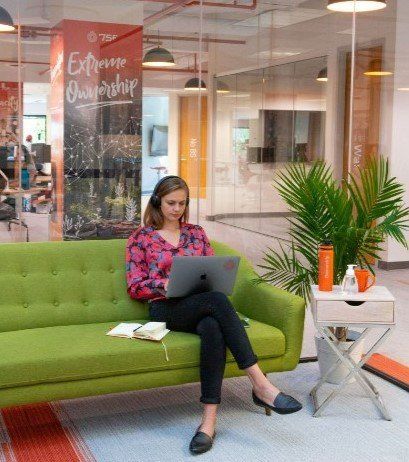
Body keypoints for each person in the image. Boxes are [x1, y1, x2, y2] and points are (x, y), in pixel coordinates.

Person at [126, 176, 302, 455]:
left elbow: (211, 271)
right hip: (165, 309)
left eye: (182, 203)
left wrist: (211, 281)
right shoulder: (141, 238)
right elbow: (135, 286)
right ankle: (260, 384)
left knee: (212, 326)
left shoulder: (196, 233)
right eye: (171, 203)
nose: (177, 209)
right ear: (158, 201)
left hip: (203, 305)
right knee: (217, 302)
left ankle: (208, 422)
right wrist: (164, 285)